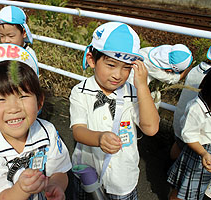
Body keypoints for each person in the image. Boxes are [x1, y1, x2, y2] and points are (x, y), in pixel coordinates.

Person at [70, 22, 159, 199]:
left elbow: (151, 128)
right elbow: (78, 131)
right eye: (111, 65)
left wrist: (142, 86)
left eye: (126, 68)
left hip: (123, 179)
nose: (118, 75)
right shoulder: (80, 91)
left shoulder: (134, 93)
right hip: (89, 174)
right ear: (91, 60)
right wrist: (99, 138)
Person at [0, 43, 72, 200]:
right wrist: (21, 189)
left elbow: (60, 171)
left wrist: (56, 186)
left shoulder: (47, 131)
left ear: (39, 102)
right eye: (0, 99)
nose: (13, 108)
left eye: (23, 96)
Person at [167, 70, 211, 200]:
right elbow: (188, 135)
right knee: (183, 188)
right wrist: (203, 153)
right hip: (198, 153)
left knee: (195, 189)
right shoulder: (196, 108)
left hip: (205, 155)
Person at [170, 46, 211, 160]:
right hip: (198, 134)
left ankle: (170, 169)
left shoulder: (197, 69)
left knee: (178, 144)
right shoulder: (207, 77)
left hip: (180, 121)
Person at [127, 44, 193, 85]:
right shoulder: (153, 66)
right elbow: (170, 79)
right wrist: (184, 73)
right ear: (170, 70)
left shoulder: (151, 51)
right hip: (131, 88)